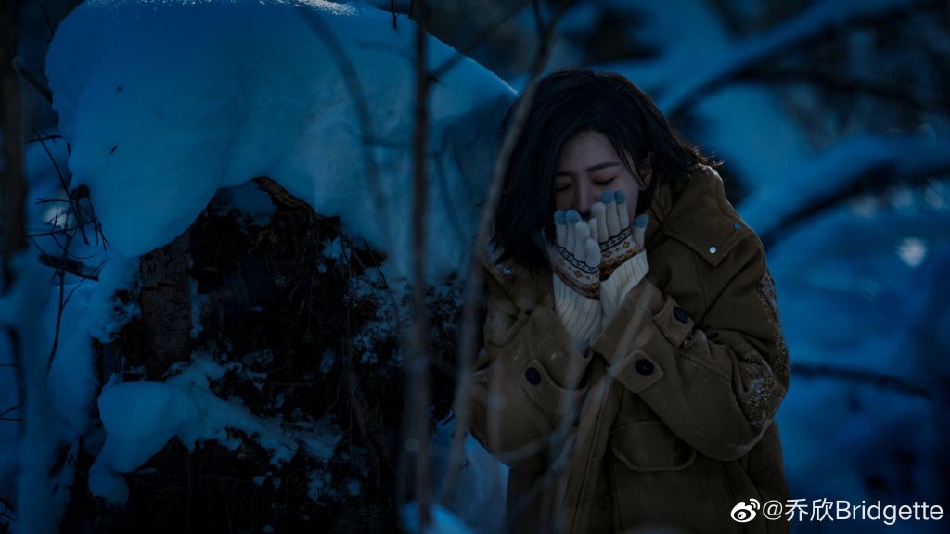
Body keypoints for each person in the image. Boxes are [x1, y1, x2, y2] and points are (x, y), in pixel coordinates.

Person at [468, 68, 791, 533]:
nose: (583, 202)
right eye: (561, 185)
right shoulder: (519, 264)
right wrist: (563, 331)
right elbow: (503, 438)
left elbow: (740, 419)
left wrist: (634, 309)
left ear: (644, 169)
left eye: (603, 180)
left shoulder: (720, 249)